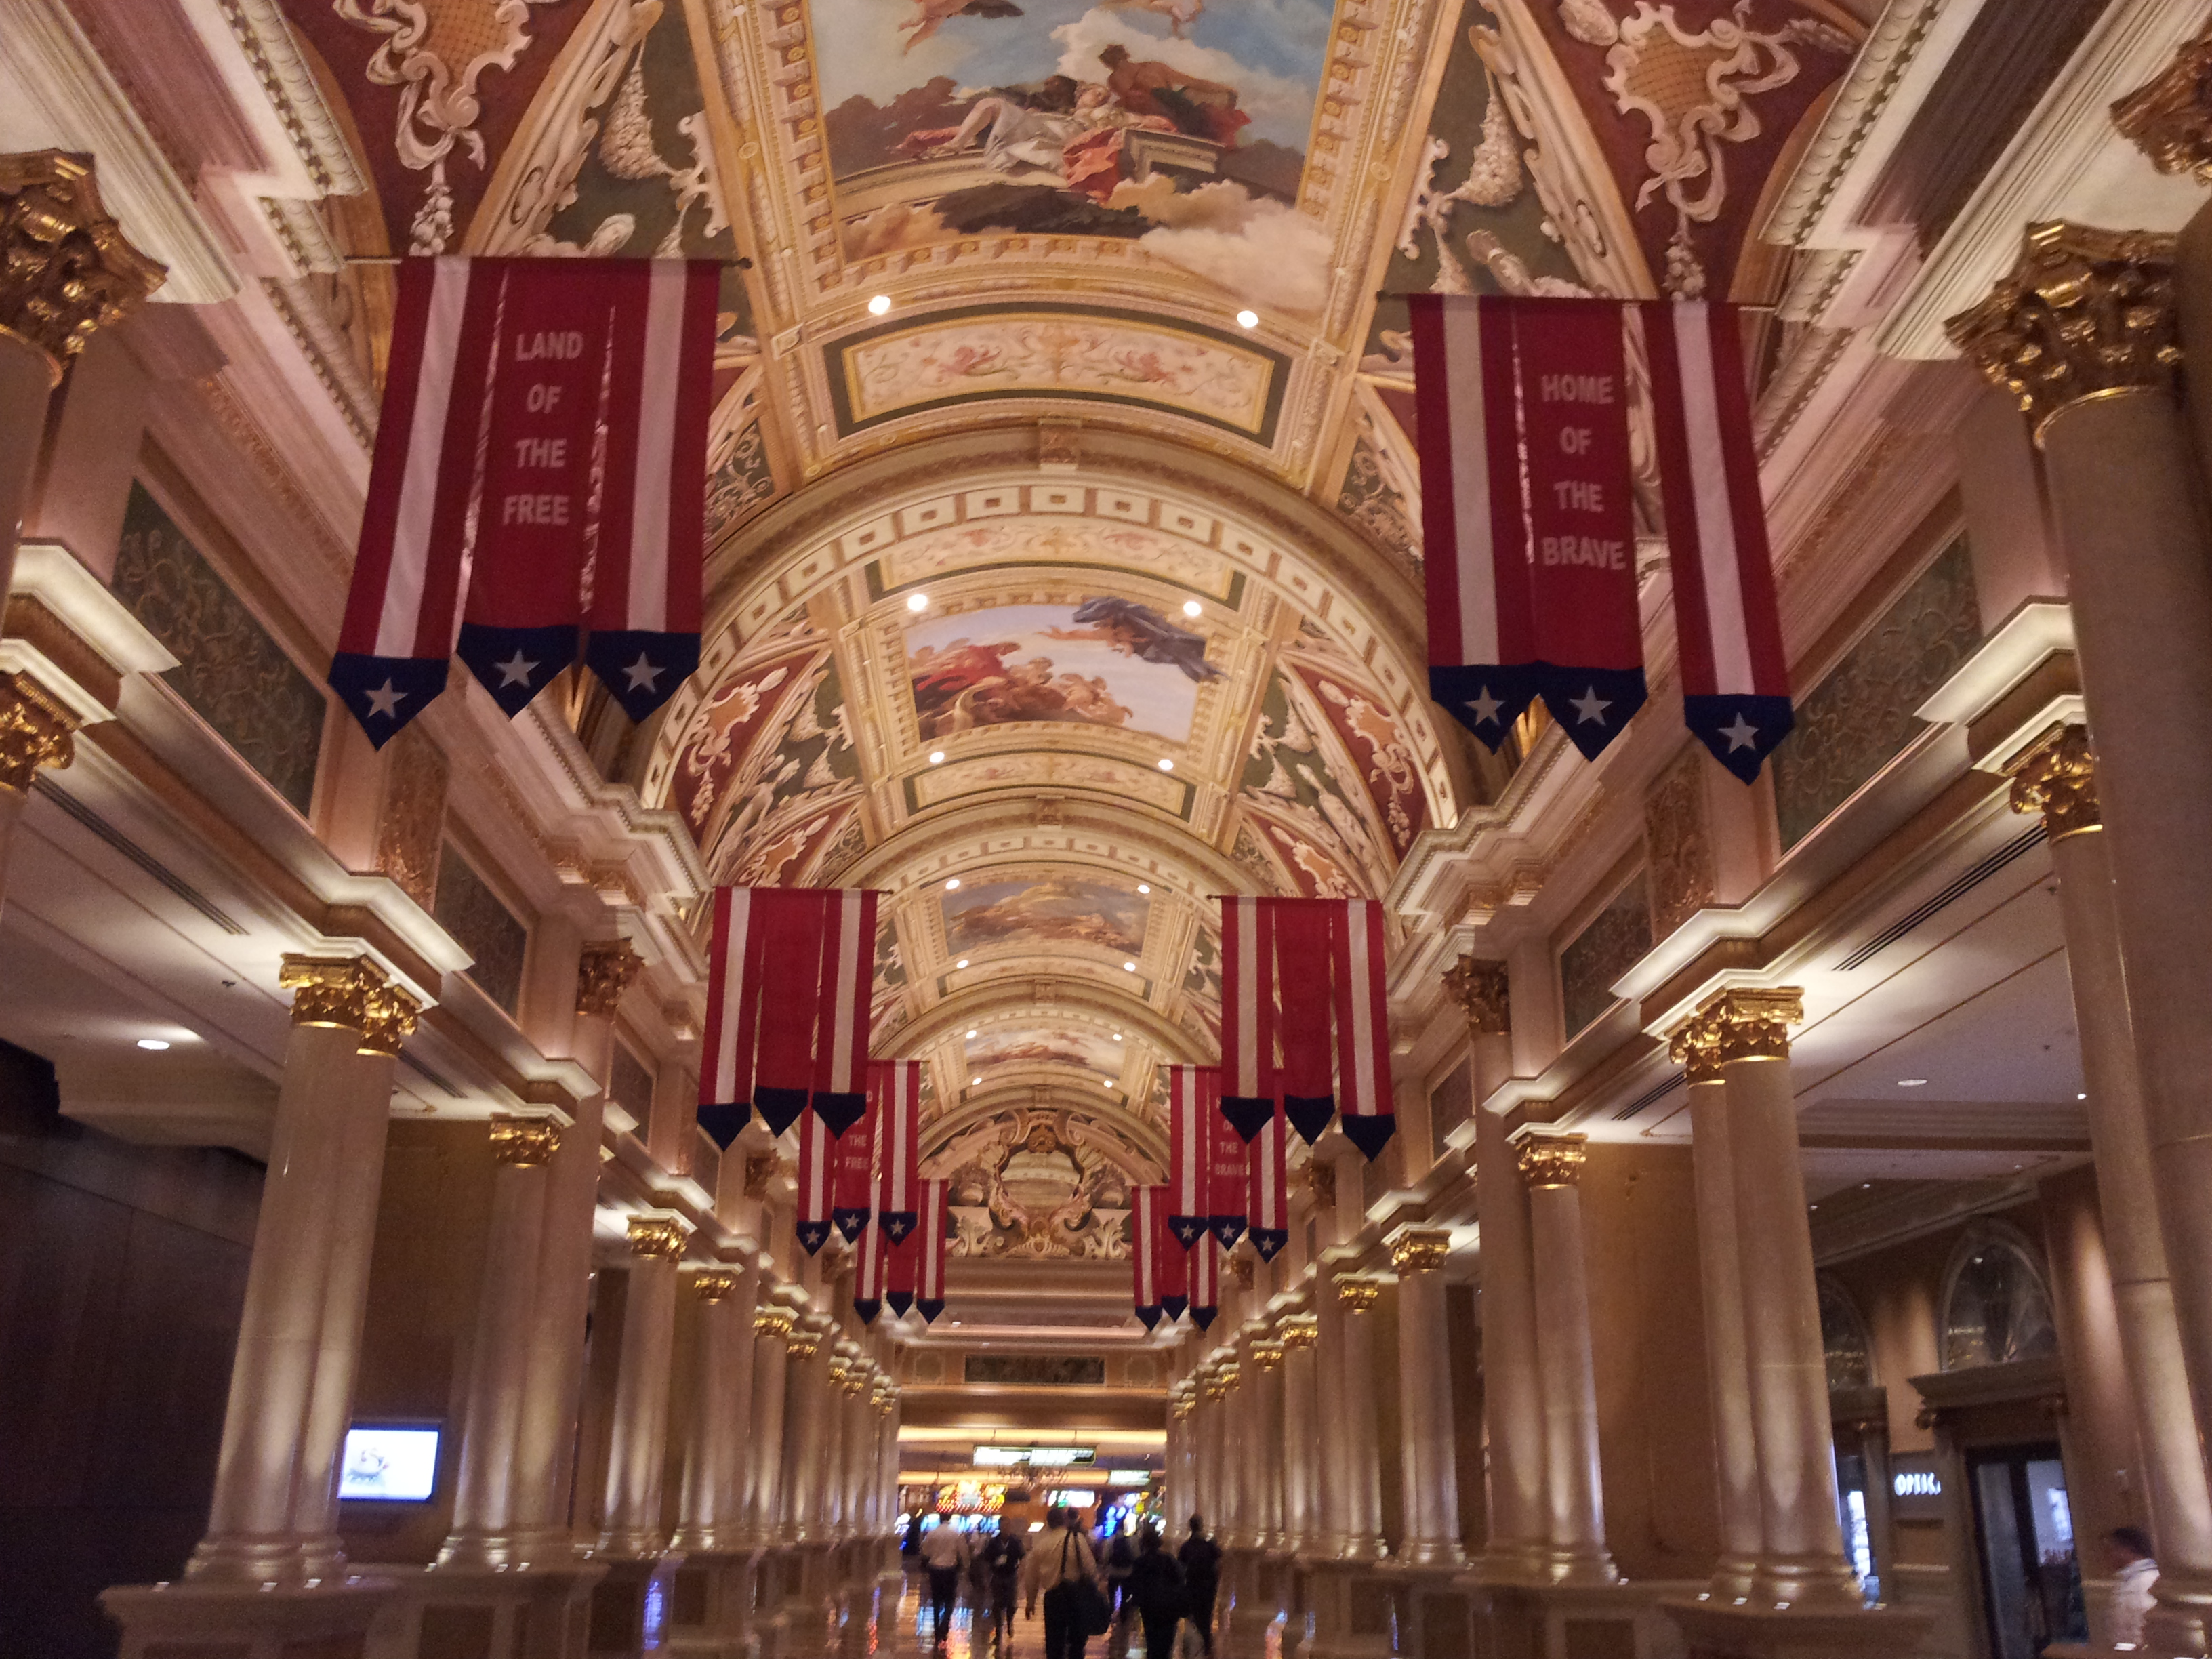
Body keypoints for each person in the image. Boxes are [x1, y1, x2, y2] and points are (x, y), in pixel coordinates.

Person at [1033, 1508, 1103, 1659]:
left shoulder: (1042, 1544)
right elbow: (1090, 1568)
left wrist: (1030, 1601)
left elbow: (1032, 1574)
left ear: (1048, 1523)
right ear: (1064, 1521)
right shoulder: (1077, 1539)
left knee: (1054, 1640)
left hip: (1052, 1597)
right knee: (1077, 1640)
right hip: (1075, 1596)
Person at [1125, 1524, 1185, 1659]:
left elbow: (1135, 1585)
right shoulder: (1168, 1559)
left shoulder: (1140, 1562)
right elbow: (1180, 1579)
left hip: (1149, 1608)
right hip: (1168, 1608)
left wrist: (1134, 1603)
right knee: (1166, 1644)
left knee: (1152, 1641)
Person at [918, 1519, 972, 1648]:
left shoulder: (932, 1533)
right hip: (950, 1570)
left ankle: (937, 1629)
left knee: (936, 1601)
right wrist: (966, 1567)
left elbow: (925, 1552)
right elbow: (964, 1552)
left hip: (935, 1570)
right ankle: (945, 1625)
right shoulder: (956, 1533)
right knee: (949, 1601)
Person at [1176, 1515, 1223, 1655]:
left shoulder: (1186, 1547)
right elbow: (1218, 1560)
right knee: (1206, 1616)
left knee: (1194, 1616)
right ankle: (1206, 1643)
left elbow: (1181, 1568)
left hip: (1193, 1587)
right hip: (1207, 1587)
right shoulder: (1208, 1546)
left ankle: (1195, 1645)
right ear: (1201, 1526)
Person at [2108, 1525, 2159, 1647]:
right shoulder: (2126, 1581)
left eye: (2112, 1550)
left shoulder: (2148, 1580)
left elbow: (2145, 1626)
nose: (2108, 1556)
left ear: (2127, 1550)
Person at [982, 1520, 1028, 1649]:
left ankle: (1010, 1621)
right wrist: (986, 1577)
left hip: (1011, 1575)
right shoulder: (993, 1542)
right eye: (1003, 1526)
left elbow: (1023, 1557)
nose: (1006, 1528)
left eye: (1008, 1526)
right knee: (997, 1604)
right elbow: (987, 1560)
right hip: (997, 1576)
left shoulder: (1015, 1542)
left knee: (1011, 1604)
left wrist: (1021, 1572)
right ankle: (998, 1631)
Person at [1104, 1524, 1136, 1618]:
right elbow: (1136, 1556)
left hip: (1113, 1572)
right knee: (1125, 1595)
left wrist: (1106, 1566)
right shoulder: (1131, 1540)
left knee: (1112, 1593)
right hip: (1127, 1573)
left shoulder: (1111, 1539)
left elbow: (1105, 1556)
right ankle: (1123, 1615)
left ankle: (1111, 1611)